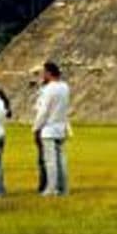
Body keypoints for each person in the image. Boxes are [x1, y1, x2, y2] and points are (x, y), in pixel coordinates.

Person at [33, 61, 71, 196]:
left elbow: (43, 111)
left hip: (48, 128)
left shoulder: (49, 89)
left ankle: (51, 188)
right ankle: (64, 188)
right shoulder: (65, 87)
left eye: (44, 72)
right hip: (61, 127)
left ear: (49, 73)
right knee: (62, 160)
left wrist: (36, 127)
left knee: (50, 161)